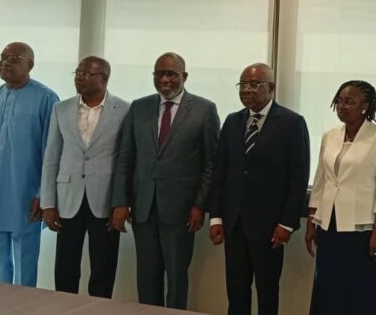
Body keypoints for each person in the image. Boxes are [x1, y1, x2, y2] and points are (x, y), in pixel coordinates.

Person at [109, 52, 220, 309]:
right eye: (159, 74)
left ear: (184, 76)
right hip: (143, 208)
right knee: (147, 277)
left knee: (177, 277)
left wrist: (199, 205)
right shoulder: (139, 107)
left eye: (172, 74)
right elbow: (125, 158)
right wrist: (120, 202)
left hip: (182, 211)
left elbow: (211, 164)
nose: (165, 79)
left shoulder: (204, 109)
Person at [208, 63, 310, 315]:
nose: (246, 90)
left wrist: (287, 223)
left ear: (271, 88)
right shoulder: (232, 121)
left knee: (267, 292)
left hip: (270, 227)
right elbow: (220, 172)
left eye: (254, 84)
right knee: (236, 291)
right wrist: (216, 217)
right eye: (242, 85)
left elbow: (298, 178)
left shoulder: (292, 123)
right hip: (234, 224)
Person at [0, 42, 59, 286]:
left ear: (30, 65)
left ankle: (24, 305)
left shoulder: (46, 99)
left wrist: (43, 194)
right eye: (3, 57)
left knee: (26, 259)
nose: (5, 62)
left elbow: (52, 153)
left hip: (26, 195)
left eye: (14, 58)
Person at [305, 80, 376, 315]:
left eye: (349, 102)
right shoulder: (330, 136)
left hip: (363, 229)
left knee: (362, 291)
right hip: (329, 226)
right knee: (329, 287)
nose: (341, 106)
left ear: (365, 106)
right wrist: (312, 220)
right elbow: (321, 180)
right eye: (338, 101)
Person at [40, 56, 129, 297]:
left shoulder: (124, 110)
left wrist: (121, 202)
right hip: (67, 197)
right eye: (78, 73)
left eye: (87, 74)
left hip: (106, 199)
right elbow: (51, 157)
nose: (80, 78)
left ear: (104, 78)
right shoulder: (61, 109)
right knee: (66, 265)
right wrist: (48, 203)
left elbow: (126, 161)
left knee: (103, 266)